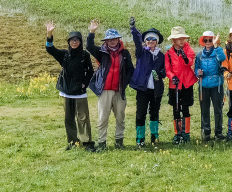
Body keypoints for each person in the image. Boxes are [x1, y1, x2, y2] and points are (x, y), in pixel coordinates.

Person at [45, 22, 94, 150]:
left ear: (80, 42)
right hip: (66, 92)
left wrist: (84, 83)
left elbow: (90, 71)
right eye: (72, 40)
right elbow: (50, 49)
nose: (74, 42)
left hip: (80, 92)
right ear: (69, 42)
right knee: (69, 119)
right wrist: (49, 34)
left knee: (83, 118)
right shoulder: (64, 54)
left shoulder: (85, 55)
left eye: (77, 40)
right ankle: (73, 142)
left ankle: (87, 142)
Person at [87, 22, 134, 150]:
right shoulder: (101, 52)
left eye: (114, 39)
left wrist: (125, 83)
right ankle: (102, 143)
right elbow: (89, 46)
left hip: (119, 90)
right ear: (106, 41)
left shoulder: (125, 53)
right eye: (109, 39)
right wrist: (92, 32)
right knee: (103, 118)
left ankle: (119, 142)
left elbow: (131, 70)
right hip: (105, 91)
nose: (112, 41)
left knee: (120, 118)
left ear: (118, 39)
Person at [129, 18, 165, 147]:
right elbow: (137, 41)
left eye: (153, 39)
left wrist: (160, 74)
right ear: (145, 41)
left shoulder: (161, 56)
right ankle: (140, 138)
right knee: (141, 114)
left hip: (156, 89)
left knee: (154, 113)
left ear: (157, 41)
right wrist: (133, 29)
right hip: (142, 88)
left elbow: (164, 71)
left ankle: (154, 136)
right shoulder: (141, 52)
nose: (150, 41)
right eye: (148, 39)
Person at [165, 27, 196, 144]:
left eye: (183, 38)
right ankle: (177, 133)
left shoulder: (189, 49)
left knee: (185, 108)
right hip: (175, 84)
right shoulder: (168, 53)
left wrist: (184, 57)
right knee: (176, 109)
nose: (182, 40)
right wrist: (172, 76)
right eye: (179, 38)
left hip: (187, 83)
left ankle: (186, 133)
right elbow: (167, 69)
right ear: (174, 40)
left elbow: (190, 62)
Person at [195, 30, 227, 141]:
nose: (208, 42)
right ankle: (206, 132)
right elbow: (196, 67)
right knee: (204, 109)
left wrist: (216, 45)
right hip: (203, 84)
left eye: (210, 40)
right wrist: (198, 72)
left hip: (216, 84)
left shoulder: (218, 51)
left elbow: (222, 58)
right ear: (203, 41)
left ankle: (218, 132)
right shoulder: (199, 55)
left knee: (218, 109)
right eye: (206, 40)